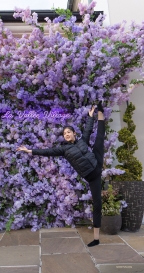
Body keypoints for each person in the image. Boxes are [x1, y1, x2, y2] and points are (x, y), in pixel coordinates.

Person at [16, 102, 105, 247]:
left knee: (99, 137)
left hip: (96, 161)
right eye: (64, 133)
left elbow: (88, 130)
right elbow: (47, 152)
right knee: (97, 204)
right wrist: (30, 151)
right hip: (92, 176)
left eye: (68, 132)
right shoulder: (63, 150)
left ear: (74, 133)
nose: (66, 134)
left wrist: (90, 116)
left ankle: (100, 112)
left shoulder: (82, 140)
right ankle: (96, 238)